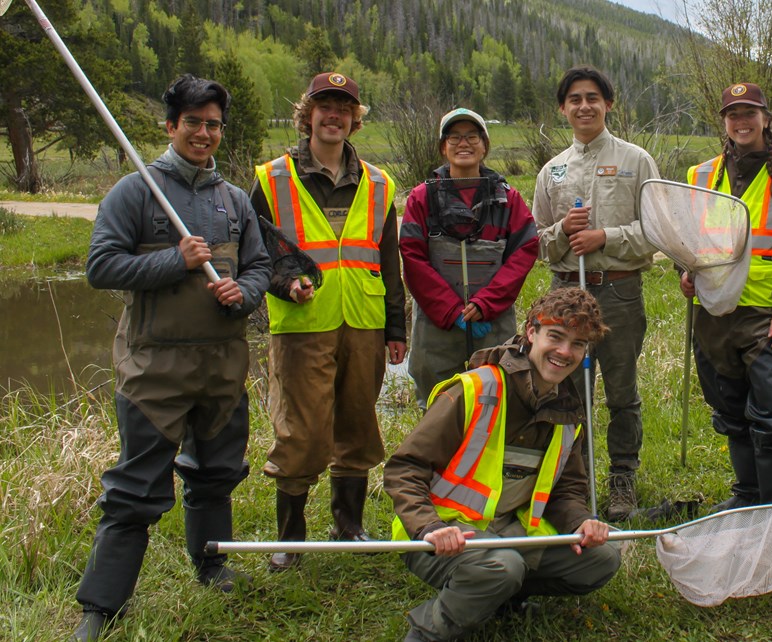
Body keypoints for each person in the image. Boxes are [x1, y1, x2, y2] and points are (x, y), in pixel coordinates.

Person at [75, 74, 271, 641]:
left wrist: (247, 292)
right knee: (135, 489)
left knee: (215, 475)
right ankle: (102, 606)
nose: (204, 134)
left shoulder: (234, 200)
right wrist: (174, 261)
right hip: (153, 370)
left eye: (213, 124)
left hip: (222, 366)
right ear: (171, 127)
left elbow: (260, 267)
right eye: (193, 123)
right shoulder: (134, 192)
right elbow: (101, 267)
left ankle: (211, 565)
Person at [385, 288, 620, 642]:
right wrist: (428, 527)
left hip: (510, 533)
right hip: (441, 533)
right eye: (555, 337)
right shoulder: (475, 390)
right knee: (503, 567)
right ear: (531, 332)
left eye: (578, 344)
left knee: (603, 558)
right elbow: (404, 469)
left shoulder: (569, 410)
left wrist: (580, 521)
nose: (565, 352)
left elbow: (566, 489)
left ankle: (498, 593)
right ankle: (427, 632)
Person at [251, 72, 407, 569]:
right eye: (325, 106)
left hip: (364, 320)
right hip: (302, 324)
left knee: (358, 424)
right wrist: (284, 283)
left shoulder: (379, 182)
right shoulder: (271, 178)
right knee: (303, 431)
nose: (334, 115)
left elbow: (388, 258)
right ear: (308, 114)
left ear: (354, 119)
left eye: (344, 107)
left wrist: (396, 328)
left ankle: (349, 526)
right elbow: (256, 254)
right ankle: (290, 540)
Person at [681, 82, 772, 542]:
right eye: (732, 114)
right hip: (713, 310)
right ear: (724, 121)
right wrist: (686, 272)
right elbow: (688, 239)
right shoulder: (700, 175)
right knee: (730, 407)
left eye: (750, 113)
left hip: (767, 315)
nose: (741, 122)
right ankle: (748, 495)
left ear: (766, 118)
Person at [533, 65, 660, 520]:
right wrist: (564, 232)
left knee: (622, 391)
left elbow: (657, 230)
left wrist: (606, 237)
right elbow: (538, 243)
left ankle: (622, 478)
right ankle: (574, 481)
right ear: (563, 109)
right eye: (574, 99)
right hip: (566, 295)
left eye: (592, 98)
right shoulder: (552, 171)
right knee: (567, 393)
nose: (583, 106)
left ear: (608, 104)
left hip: (619, 293)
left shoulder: (636, 160)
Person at [401, 107, 539, 407]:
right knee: (437, 409)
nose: (463, 143)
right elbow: (412, 257)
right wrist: (450, 311)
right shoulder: (421, 198)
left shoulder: (508, 199)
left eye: (472, 136)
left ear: (485, 146)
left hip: (492, 322)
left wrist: (486, 302)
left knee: (493, 403)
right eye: (454, 137)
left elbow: (525, 251)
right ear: (443, 147)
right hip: (437, 325)